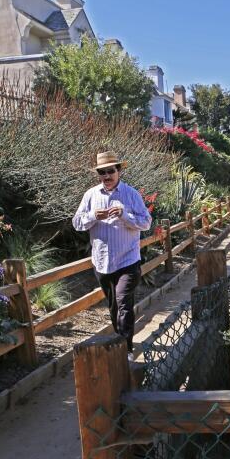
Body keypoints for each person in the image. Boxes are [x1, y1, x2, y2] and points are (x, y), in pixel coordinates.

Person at [73, 152, 152, 360]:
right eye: (102, 172)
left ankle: (126, 350)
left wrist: (124, 215)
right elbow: (77, 223)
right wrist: (92, 216)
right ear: (98, 174)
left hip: (128, 260)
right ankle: (119, 343)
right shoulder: (90, 195)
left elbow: (146, 222)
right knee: (114, 306)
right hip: (102, 262)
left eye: (110, 171)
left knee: (123, 301)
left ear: (119, 171)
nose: (106, 175)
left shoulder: (131, 194)